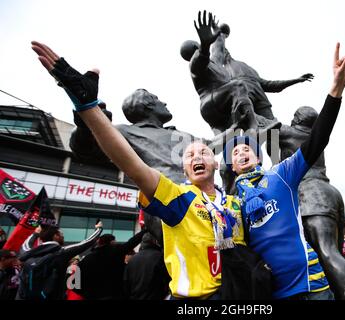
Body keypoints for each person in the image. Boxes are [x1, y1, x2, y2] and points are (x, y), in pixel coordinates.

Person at [30, 41, 247, 300]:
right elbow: (86, 148)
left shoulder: (183, 136)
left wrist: (237, 127)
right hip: (170, 206)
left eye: (199, 155)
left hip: (208, 206)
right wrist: (87, 114)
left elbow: (210, 147)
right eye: (157, 100)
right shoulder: (125, 132)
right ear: (145, 106)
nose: (164, 102)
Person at [222, 42, 345, 300]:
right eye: (234, 153)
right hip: (272, 293)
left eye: (246, 149)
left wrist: (336, 89)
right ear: (231, 166)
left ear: (259, 156)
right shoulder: (232, 201)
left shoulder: (282, 175)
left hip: (312, 287)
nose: (240, 152)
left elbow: (318, 138)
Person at [278, 105, 345, 300]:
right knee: (334, 254)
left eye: (294, 116)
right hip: (329, 192)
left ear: (299, 119)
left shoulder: (289, 132)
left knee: (327, 252)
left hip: (311, 194)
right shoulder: (312, 135)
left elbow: (259, 123)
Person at [181, 11, 313, 133]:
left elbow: (218, 49)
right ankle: (253, 124)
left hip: (225, 100)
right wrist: (205, 45)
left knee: (272, 129)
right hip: (211, 103)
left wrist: (220, 34)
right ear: (196, 48)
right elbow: (201, 60)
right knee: (238, 86)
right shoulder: (196, 64)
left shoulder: (216, 62)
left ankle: (260, 138)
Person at [17, 222, 102, 300]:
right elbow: (86, 243)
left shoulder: (28, 252)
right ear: (55, 236)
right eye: (61, 234)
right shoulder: (61, 253)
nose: (63, 237)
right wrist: (99, 229)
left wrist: (35, 233)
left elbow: (25, 244)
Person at [77, 230, 146, 300]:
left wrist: (86, 294)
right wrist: (145, 230)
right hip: (115, 295)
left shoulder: (87, 259)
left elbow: (75, 281)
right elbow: (132, 242)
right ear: (112, 242)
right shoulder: (115, 251)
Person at [123, 233, 170, 300]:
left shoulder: (132, 259)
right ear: (155, 242)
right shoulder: (160, 257)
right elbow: (166, 279)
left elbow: (126, 282)